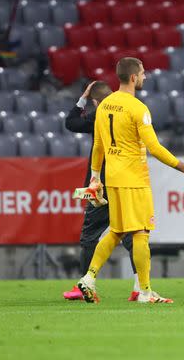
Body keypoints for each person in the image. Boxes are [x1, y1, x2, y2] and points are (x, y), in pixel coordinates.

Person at [75, 57, 184, 304]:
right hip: (134, 178)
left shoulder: (105, 105)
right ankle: (145, 291)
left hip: (112, 177)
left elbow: (98, 144)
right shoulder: (138, 109)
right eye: (143, 73)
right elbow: (153, 147)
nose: (145, 77)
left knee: (116, 231)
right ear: (133, 77)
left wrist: (94, 175)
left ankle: (88, 278)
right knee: (141, 233)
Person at [61, 81, 139, 302]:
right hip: (124, 180)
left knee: (90, 235)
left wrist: (82, 98)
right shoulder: (128, 109)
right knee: (131, 235)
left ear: (95, 101)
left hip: (101, 182)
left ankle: (85, 285)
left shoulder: (99, 114)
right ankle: (139, 287)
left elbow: (72, 123)